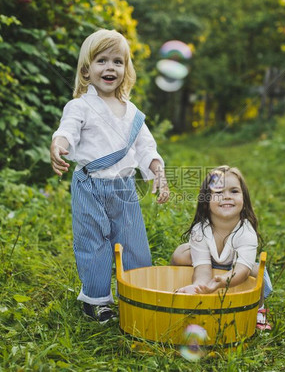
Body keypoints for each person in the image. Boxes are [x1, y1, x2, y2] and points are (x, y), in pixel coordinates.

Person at [50, 29, 170, 324]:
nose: (110, 67)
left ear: (126, 70)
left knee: (135, 245)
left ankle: (136, 295)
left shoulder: (133, 113)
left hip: (124, 188)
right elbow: (68, 129)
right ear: (86, 70)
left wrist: (157, 171)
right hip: (89, 185)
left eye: (117, 61)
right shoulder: (80, 106)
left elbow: (146, 148)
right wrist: (59, 145)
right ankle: (97, 301)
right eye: (101, 60)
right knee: (93, 244)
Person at [170, 165, 272, 330]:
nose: (226, 197)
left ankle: (258, 310)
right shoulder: (200, 230)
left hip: (237, 269)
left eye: (234, 191)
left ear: (244, 199)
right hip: (208, 264)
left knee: (255, 271)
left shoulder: (246, 232)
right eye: (218, 192)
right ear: (206, 201)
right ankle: (185, 291)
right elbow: (202, 268)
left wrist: (222, 281)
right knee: (180, 254)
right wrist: (200, 287)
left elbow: (242, 270)